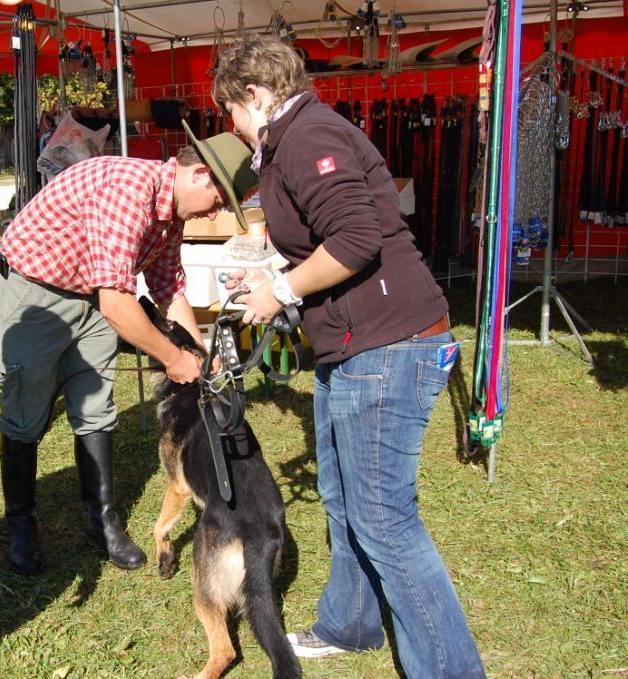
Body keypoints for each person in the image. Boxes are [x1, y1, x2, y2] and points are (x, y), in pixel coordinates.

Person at [212, 36, 486, 678]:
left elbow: (358, 239)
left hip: (388, 344)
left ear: (254, 95)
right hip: (354, 343)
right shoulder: (293, 140)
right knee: (342, 494)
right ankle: (353, 622)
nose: (229, 125)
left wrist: (280, 289)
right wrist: (272, 271)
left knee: (385, 519)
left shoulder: (308, 137)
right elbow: (322, 235)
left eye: (230, 109)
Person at [0, 132, 257, 575]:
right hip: (35, 295)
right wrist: (173, 360)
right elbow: (118, 303)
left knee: (96, 410)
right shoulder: (127, 191)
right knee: (25, 412)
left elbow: (167, 287)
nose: (217, 212)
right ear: (198, 174)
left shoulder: (171, 209)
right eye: (218, 200)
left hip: (94, 294)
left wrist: (197, 348)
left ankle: (101, 519)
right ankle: (20, 524)